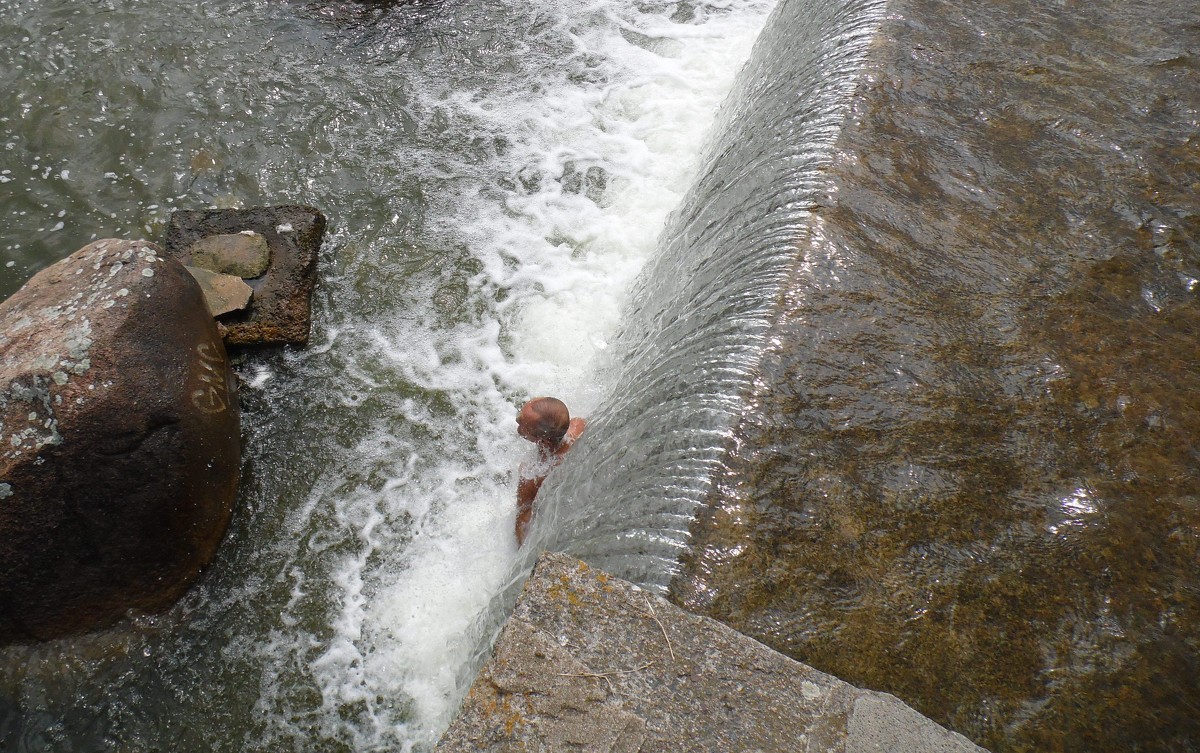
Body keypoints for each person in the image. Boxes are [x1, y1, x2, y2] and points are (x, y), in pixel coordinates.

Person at [515, 397, 586, 546]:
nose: (517, 421)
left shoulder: (532, 478)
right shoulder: (578, 425)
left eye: (522, 424)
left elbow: (522, 521)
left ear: (544, 442)